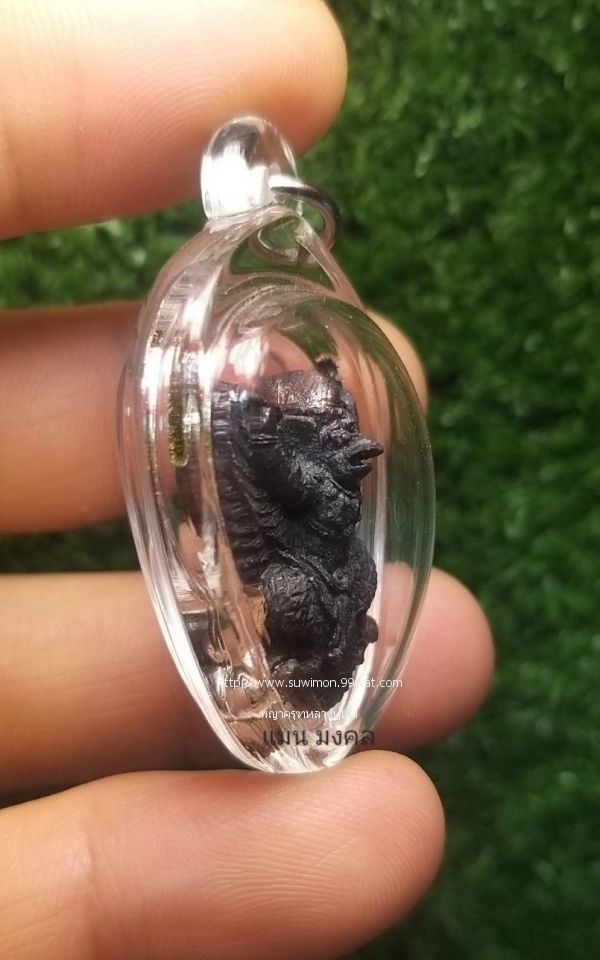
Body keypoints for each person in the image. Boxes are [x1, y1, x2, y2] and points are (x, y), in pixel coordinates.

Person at [0, 1, 495, 957]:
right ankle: (314, 653)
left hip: (315, 567)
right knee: (306, 592)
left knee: (343, 584)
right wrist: (269, 441)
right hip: (288, 559)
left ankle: (323, 660)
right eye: (319, 417)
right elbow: (282, 477)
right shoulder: (270, 441)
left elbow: (330, 497)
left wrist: (318, 464)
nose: (335, 425)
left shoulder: (323, 448)